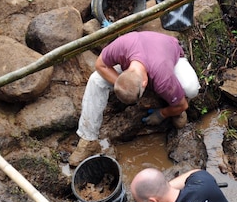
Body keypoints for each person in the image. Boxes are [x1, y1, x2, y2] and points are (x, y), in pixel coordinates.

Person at [70, 31, 200, 166]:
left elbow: (183, 105)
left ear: (145, 84)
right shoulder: (121, 47)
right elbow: (100, 65)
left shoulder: (163, 78)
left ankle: (175, 97)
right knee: (96, 79)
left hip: (170, 54)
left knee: (191, 88)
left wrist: (162, 114)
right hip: (140, 51)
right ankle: (88, 139)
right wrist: (122, 85)